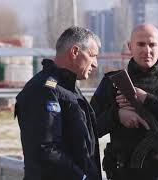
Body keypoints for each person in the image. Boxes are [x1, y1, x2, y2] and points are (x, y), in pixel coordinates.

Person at [90, 23, 158, 179]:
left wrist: (148, 99)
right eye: (141, 44)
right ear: (130, 46)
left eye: (152, 45)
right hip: (123, 173)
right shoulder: (112, 82)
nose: (147, 50)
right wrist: (117, 115)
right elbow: (90, 127)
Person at [15, 26, 102, 180]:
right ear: (74, 52)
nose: (95, 64)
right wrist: (81, 177)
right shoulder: (44, 90)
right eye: (92, 55)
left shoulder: (68, 88)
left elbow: (81, 140)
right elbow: (46, 149)